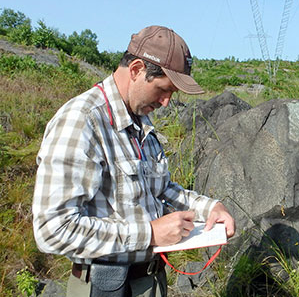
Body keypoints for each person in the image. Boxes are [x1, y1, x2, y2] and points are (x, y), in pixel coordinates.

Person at [32, 25, 235, 296]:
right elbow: (53, 228)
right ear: (137, 69)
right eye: (164, 89)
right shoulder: (82, 121)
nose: (166, 102)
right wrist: (149, 234)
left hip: (149, 282)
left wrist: (210, 208)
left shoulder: (142, 124)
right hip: (103, 287)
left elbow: (162, 190)